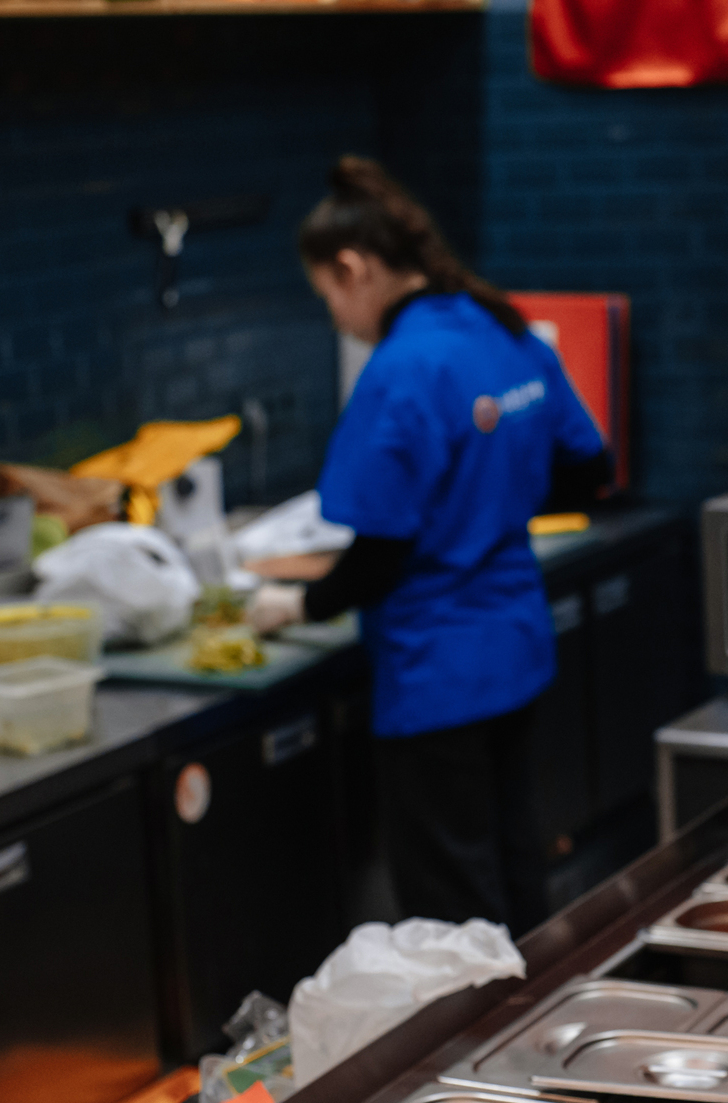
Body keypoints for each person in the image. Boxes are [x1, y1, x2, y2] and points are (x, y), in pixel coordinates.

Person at [249, 156, 610, 934]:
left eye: (327, 296)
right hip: (515, 647)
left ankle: (480, 1018)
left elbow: (379, 555)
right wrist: (493, 502)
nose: (336, 317)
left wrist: (297, 605)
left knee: (453, 909)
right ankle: (533, 1006)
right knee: (515, 867)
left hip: (438, 673)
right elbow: (590, 469)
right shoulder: (500, 329)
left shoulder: (401, 371)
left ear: (354, 269)